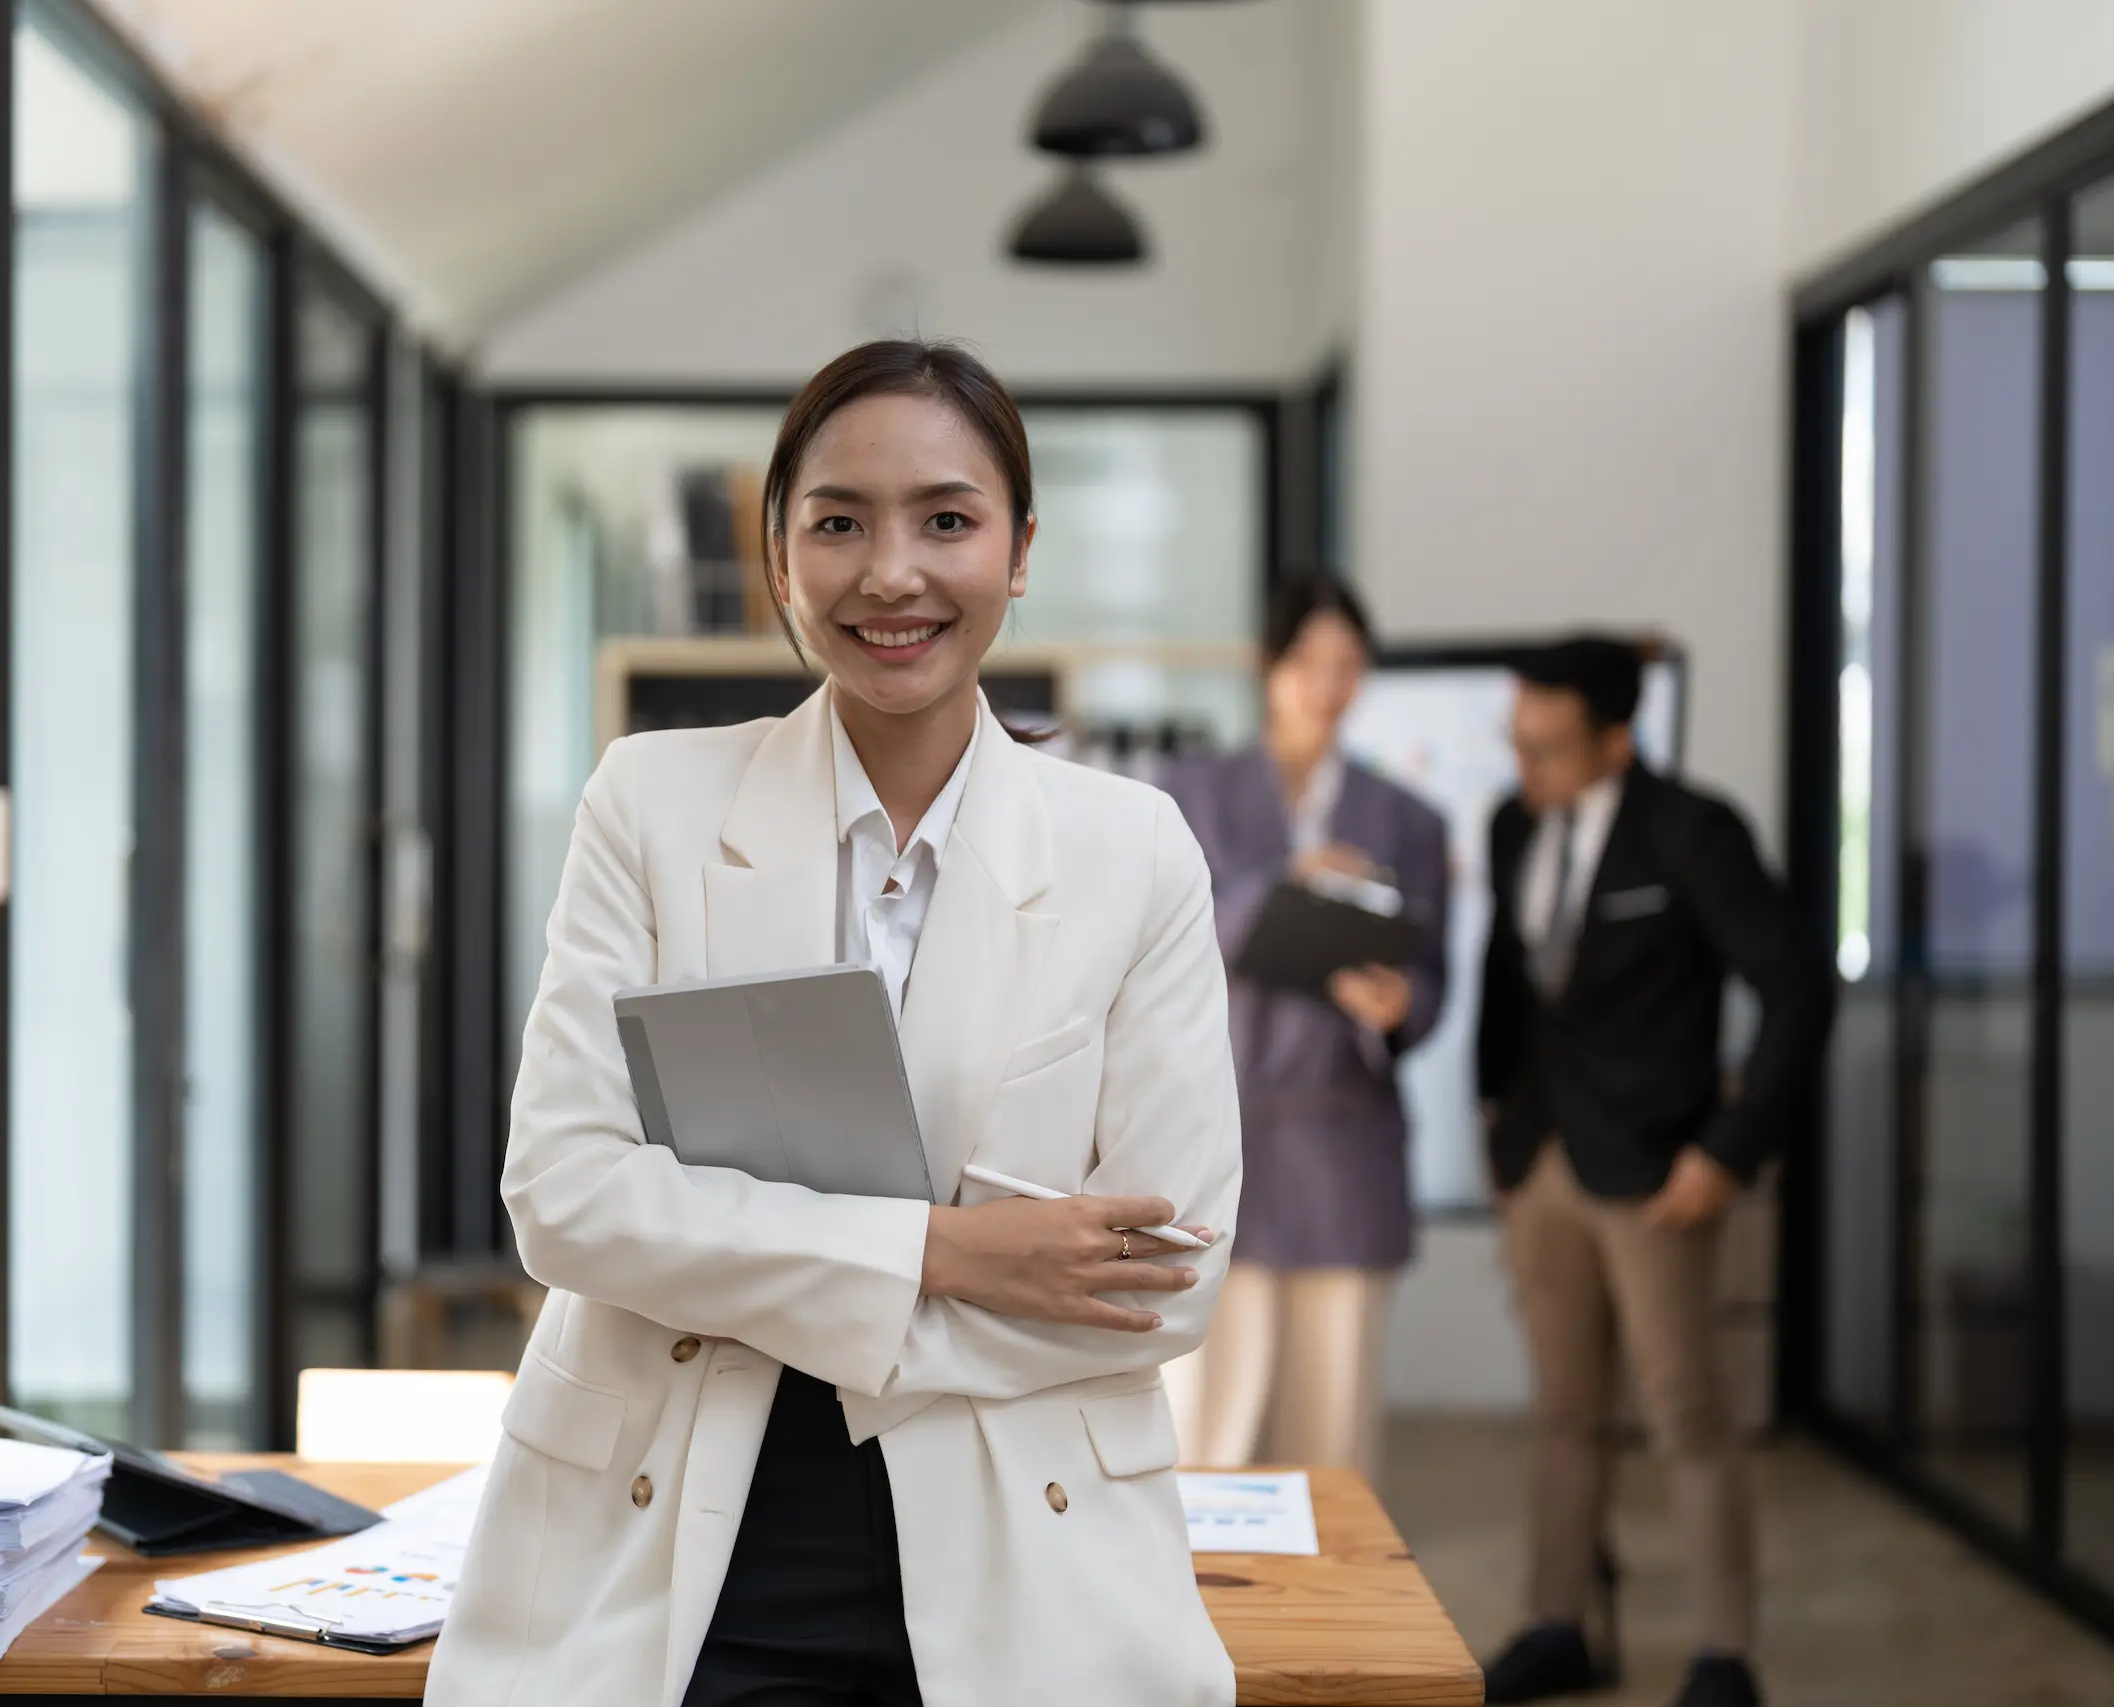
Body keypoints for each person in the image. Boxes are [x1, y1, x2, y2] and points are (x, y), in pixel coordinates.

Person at [428, 340, 1244, 1707]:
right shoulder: (652, 803)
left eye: (947, 518)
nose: (891, 573)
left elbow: (1163, 1275)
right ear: (778, 550)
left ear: (1020, 547)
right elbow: (565, 1197)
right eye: (838, 522)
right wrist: (949, 1248)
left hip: (1024, 1546)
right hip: (675, 1537)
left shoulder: (1133, 849)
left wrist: (728, 1256)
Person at [1473, 637, 1833, 1707]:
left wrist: (1728, 1154)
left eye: (1546, 749)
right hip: (1538, 1163)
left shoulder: (1692, 832)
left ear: (1616, 739)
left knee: (1686, 1412)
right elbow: (1507, 983)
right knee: (1563, 1409)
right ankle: (1558, 1626)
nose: (1524, 768)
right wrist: (1494, 1127)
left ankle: (1725, 1656)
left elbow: (1798, 989)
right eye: (1517, 744)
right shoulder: (1509, 823)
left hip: (1655, 1174)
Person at [1160, 574, 1450, 1478]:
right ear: (1268, 668)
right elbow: (1165, 931)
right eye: (1308, 663)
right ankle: (1194, 1622)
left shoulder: (1408, 818)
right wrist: (1291, 884)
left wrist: (1400, 1006)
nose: (1329, 684)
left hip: (1341, 1143)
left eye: (1348, 665)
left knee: (1332, 1441)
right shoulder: (1190, 794)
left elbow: (1434, 976)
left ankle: (1333, 1620)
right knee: (1208, 1433)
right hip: (1220, 1145)